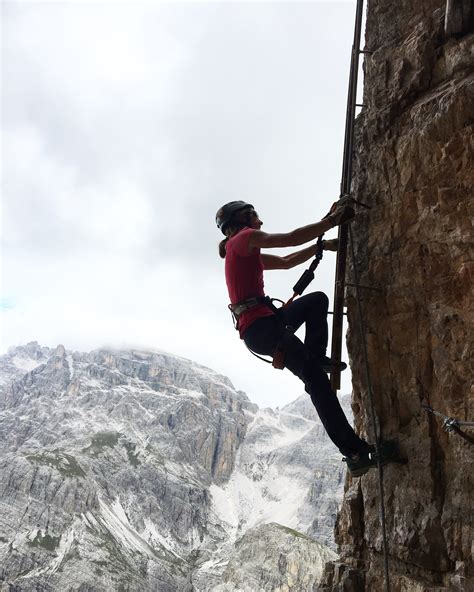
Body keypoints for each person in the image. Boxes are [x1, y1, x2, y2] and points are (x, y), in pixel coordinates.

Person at [215, 199, 377, 477]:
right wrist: (331, 222)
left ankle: (316, 356)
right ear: (243, 219)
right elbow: (289, 240)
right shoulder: (243, 239)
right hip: (263, 327)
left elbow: (288, 261)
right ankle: (355, 452)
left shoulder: (241, 250)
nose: (261, 222)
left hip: (264, 325)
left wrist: (321, 246)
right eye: (256, 216)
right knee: (316, 381)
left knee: (316, 301)